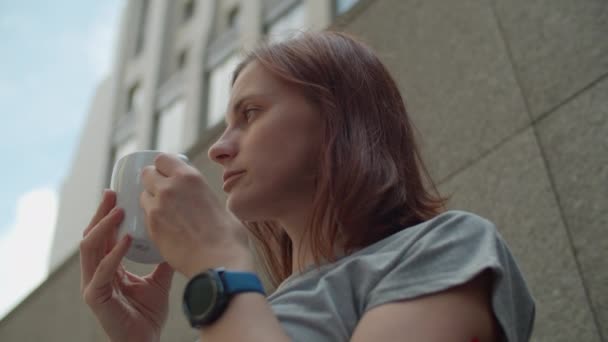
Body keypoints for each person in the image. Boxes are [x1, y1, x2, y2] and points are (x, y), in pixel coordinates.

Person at [80, 30, 535, 342]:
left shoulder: (448, 246)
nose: (218, 149)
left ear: (336, 121)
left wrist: (216, 265)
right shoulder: (248, 306)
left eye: (250, 113)